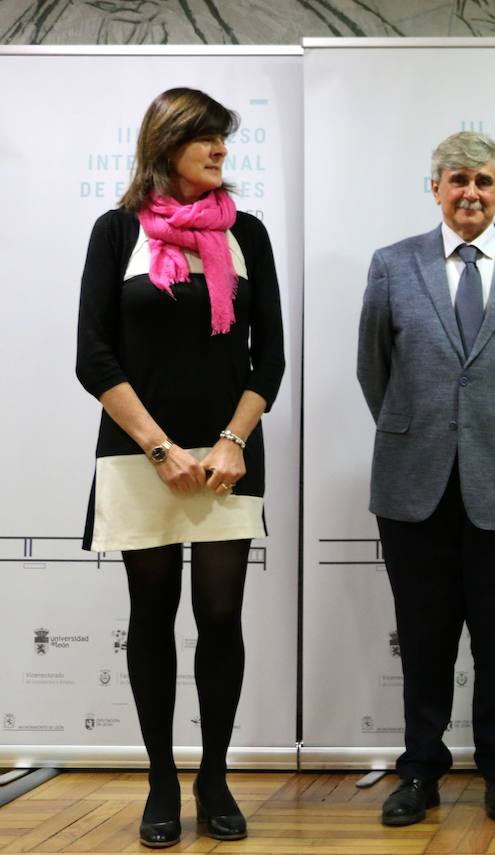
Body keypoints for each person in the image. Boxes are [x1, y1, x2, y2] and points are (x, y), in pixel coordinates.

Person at [75, 87, 285, 848]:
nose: (221, 152)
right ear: (166, 144)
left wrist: (231, 439)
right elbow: (91, 356)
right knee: (152, 618)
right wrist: (159, 446)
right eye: (207, 139)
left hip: (228, 457)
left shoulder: (247, 234)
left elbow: (272, 356)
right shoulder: (116, 231)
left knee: (221, 618)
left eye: (224, 141)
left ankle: (216, 774)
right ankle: (162, 778)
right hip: (140, 457)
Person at [356, 131, 495, 826]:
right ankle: (420, 769)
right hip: (412, 483)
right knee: (423, 637)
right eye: (457, 180)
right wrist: (421, 429)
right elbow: (374, 369)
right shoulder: (393, 264)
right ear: (436, 188)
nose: (470, 192)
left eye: (484, 180)